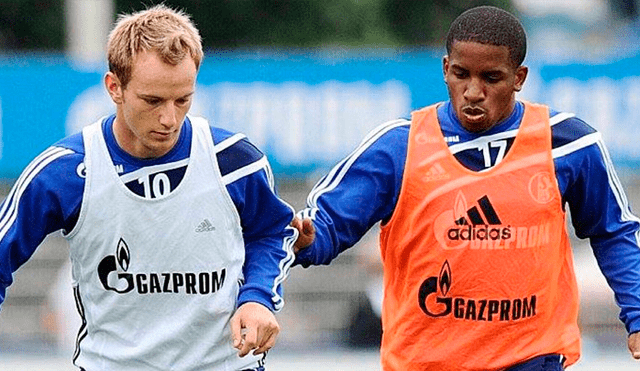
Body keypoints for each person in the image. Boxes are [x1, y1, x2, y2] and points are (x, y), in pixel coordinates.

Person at [291, 5, 640, 371]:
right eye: (461, 74)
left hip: (533, 361)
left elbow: (614, 231)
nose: (473, 91)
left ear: (519, 77)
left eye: (491, 77)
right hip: (426, 363)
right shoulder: (398, 147)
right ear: (445, 69)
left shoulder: (568, 144)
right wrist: (306, 242)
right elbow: (327, 225)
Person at [0, 5, 297, 371]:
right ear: (115, 87)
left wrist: (258, 298)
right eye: (152, 101)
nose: (169, 118)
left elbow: (274, 231)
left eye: (183, 99)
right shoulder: (65, 172)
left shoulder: (235, 161)